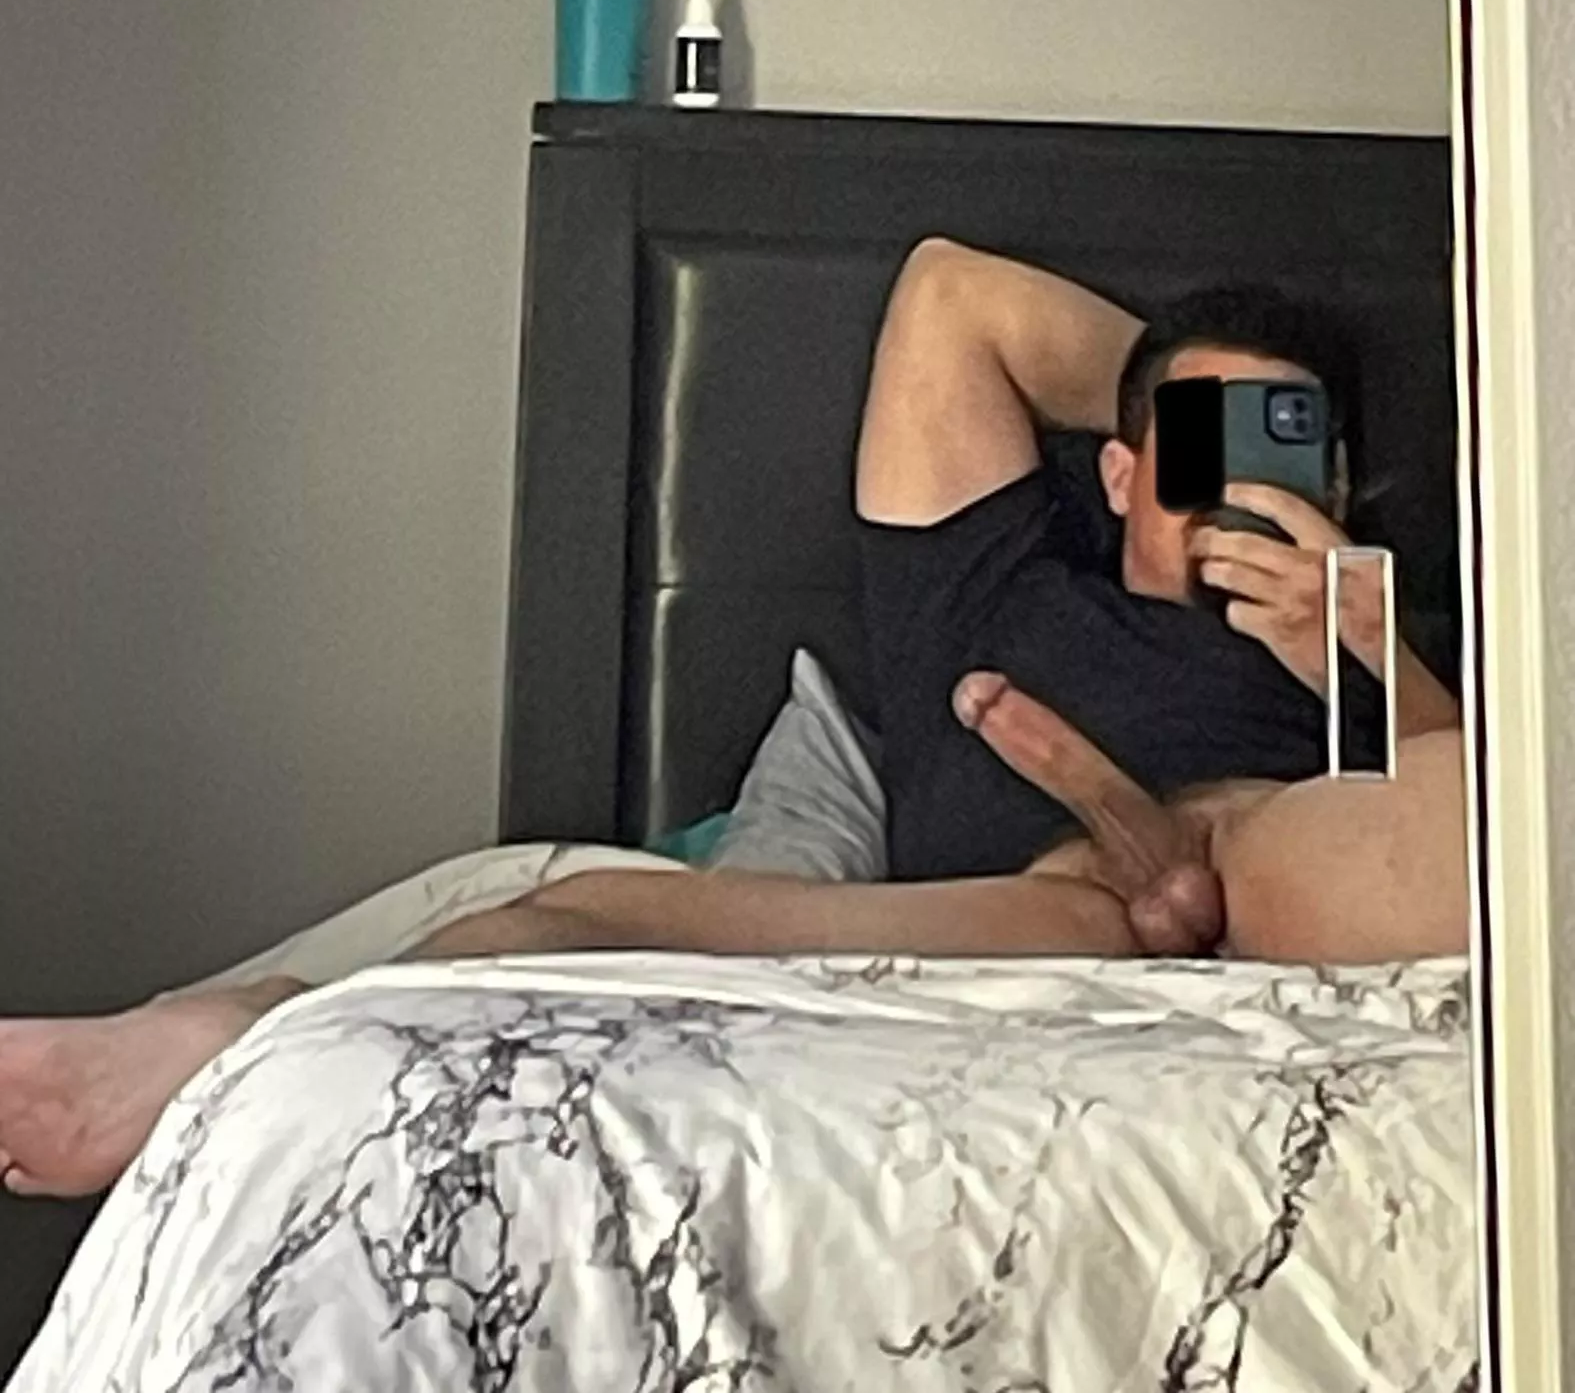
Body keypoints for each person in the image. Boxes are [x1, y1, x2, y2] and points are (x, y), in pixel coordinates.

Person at [0, 242, 1467, 1203]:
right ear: (1117, 473)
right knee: (562, 917)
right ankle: (233, 1037)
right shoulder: (994, 588)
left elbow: (1473, 822)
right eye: (1190, 451)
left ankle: (1175, 846)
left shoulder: (1385, 626)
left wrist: (1360, 648)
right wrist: (1185, 397)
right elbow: (951, 297)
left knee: (1483, 821)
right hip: (1041, 912)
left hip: (1272, 871)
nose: (1243, 486)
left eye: (1290, 452)